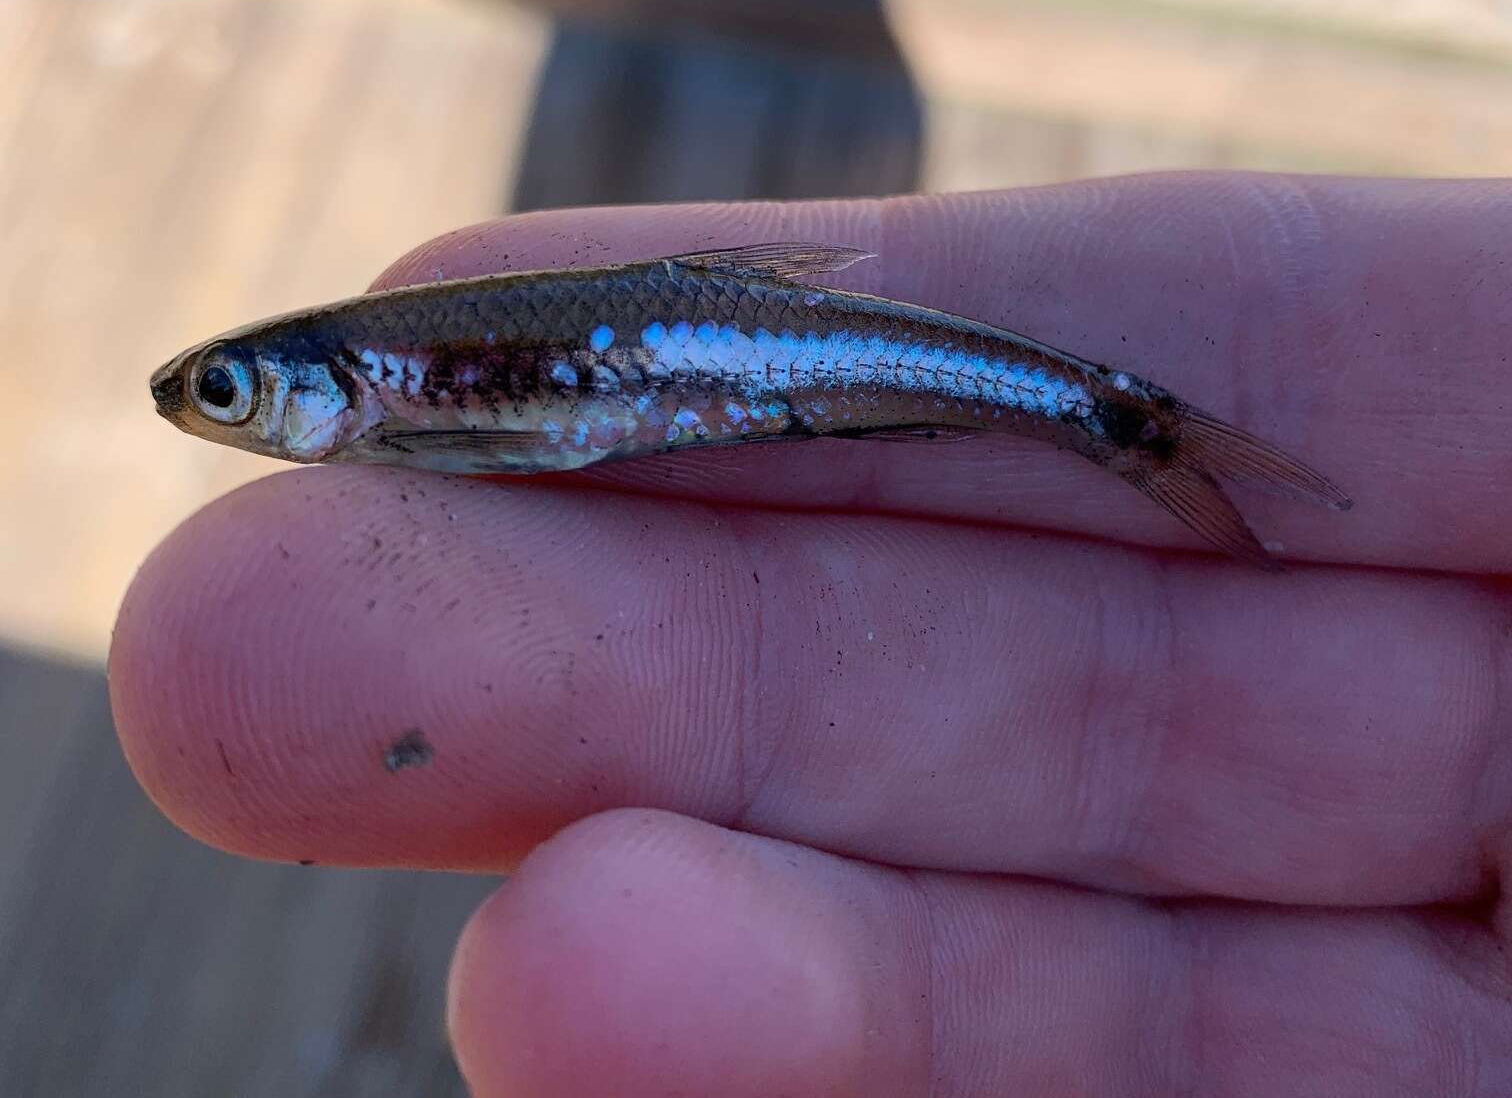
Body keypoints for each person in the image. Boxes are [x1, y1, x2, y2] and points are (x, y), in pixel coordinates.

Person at [111, 175, 1512, 1095]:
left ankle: (1129, 424)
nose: (222, 409)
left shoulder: (396, 374)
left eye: (231, 393)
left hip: (732, 349)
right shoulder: (400, 368)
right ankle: (1123, 423)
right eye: (221, 395)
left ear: (325, 384)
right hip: (721, 351)